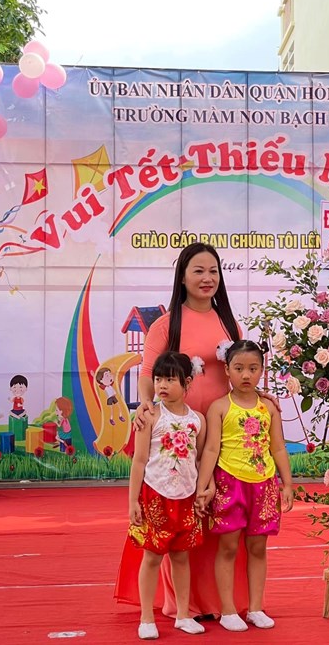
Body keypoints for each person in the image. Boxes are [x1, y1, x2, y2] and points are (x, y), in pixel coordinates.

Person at [114, 242, 249, 619]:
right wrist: (147, 405)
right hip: (179, 435)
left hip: (221, 431)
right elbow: (147, 374)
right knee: (180, 514)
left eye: (213, 271)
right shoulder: (165, 325)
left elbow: (242, 372)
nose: (207, 278)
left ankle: (221, 602)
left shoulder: (230, 324)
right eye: (198, 271)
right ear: (183, 277)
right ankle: (184, 604)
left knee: (218, 514)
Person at [196, 340, 295, 632]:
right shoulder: (219, 407)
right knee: (228, 547)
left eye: (253, 368)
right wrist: (203, 486)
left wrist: (287, 484)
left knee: (258, 547)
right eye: (239, 368)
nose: (246, 375)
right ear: (227, 370)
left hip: (264, 485)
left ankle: (255, 608)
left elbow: (278, 447)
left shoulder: (268, 408)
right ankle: (228, 610)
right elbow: (210, 450)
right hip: (230, 484)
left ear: (262, 370)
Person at [128, 352, 206, 640]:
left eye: (170, 379)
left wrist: (203, 491)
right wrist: (133, 500)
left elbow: (200, 459)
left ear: (187, 382)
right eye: (158, 379)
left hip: (186, 497)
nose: (161, 385)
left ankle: (183, 615)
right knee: (151, 557)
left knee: (181, 558)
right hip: (155, 495)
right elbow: (139, 460)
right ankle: (146, 618)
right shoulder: (150, 416)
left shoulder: (198, 420)